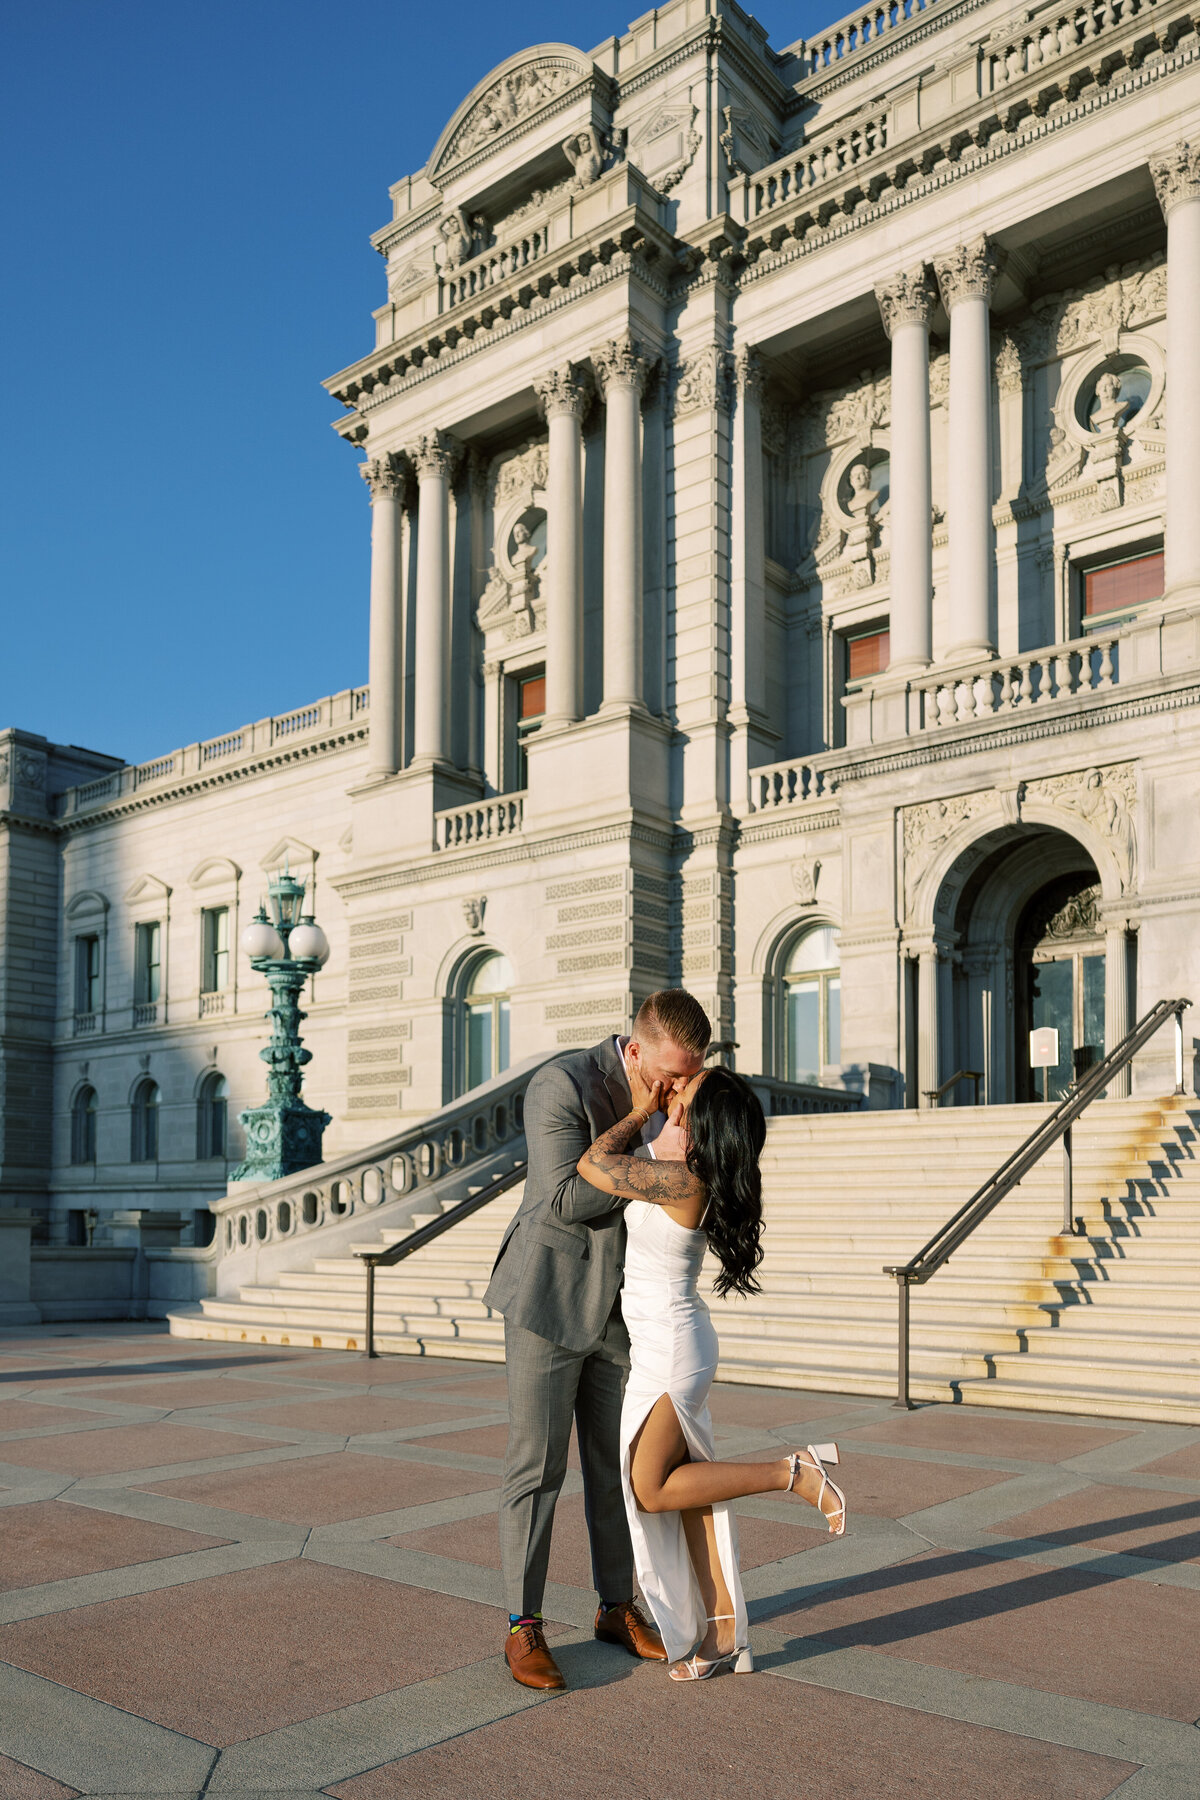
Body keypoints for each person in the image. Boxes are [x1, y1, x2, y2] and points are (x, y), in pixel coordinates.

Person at [576, 1062, 848, 1681]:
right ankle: (724, 1636)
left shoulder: (681, 1180)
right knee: (693, 1497)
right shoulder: (677, 1171)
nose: (674, 1095)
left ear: (700, 1124)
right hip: (669, 1348)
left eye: (686, 1095)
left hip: (671, 1353)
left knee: (649, 1489)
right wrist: (661, 1113)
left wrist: (642, 1108)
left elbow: (591, 1165)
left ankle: (794, 1472)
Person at [484, 989, 712, 1691]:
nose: (678, 1085)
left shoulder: (683, 1094)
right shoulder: (562, 1085)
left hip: (625, 1312)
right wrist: (649, 1133)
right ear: (635, 1049)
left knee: (617, 1471)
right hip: (549, 1300)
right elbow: (563, 1199)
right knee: (538, 1467)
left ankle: (617, 1606)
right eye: (668, 1071)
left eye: (689, 1073)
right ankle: (524, 1626)